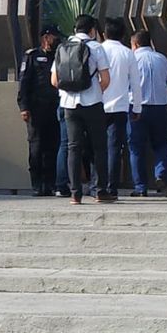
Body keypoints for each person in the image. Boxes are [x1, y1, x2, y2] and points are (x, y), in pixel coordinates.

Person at [52, 14, 113, 205]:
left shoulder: (63, 47)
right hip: (92, 103)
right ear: (92, 30)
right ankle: (100, 191)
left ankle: (75, 194)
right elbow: (106, 79)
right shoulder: (96, 48)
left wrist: (70, 90)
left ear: (74, 29)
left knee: (73, 147)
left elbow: (54, 80)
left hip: (69, 105)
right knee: (99, 147)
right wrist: (94, 91)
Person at [99, 18, 142, 198]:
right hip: (119, 107)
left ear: (104, 34)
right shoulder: (127, 53)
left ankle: (96, 185)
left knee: (96, 147)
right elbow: (136, 83)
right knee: (114, 149)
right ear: (123, 35)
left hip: (96, 105)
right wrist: (137, 107)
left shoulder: (97, 50)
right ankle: (111, 187)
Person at [17, 25, 62, 196]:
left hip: (54, 107)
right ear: (46, 37)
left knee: (52, 146)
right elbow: (24, 83)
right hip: (36, 109)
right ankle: (37, 184)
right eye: (54, 37)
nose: (56, 40)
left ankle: (50, 184)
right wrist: (24, 107)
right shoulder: (32, 56)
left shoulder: (58, 56)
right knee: (36, 147)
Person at [130, 30, 167, 197]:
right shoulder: (162, 59)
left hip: (137, 106)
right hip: (160, 106)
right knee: (162, 144)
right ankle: (160, 175)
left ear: (135, 44)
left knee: (136, 147)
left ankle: (140, 187)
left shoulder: (132, 59)